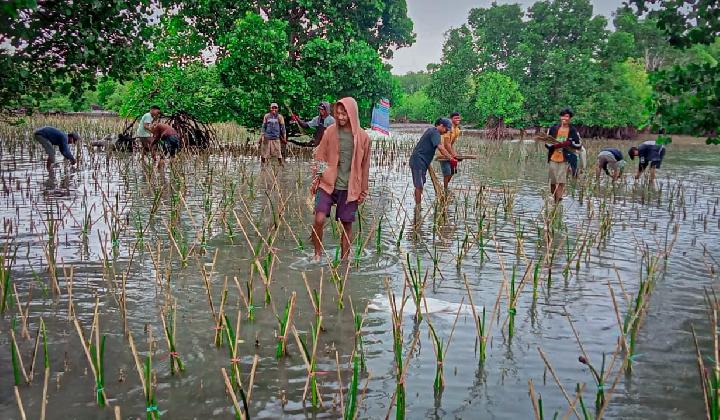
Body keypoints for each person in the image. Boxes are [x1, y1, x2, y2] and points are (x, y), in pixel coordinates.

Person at [310, 97, 371, 261]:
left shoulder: (364, 137)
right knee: (319, 219)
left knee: (346, 224)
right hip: (327, 184)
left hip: (350, 187)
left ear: (352, 113)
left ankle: (345, 259)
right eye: (338, 113)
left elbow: (365, 166)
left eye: (344, 114)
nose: (341, 117)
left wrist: (363, 191)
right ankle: (317, 254)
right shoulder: (330, 131)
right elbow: (320, 156)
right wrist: (317, 178)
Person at [409, 118, 454, 205]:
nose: (446, 131)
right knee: (419, 185)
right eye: (446, 129)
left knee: (421, 184)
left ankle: (418, 205)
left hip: (422, 162)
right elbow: (440, 148)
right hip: (418, 161)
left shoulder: (432, 131)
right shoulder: (435, 132)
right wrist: (450, 158)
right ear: (441, 125)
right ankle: (418, 207)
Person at [544, 108, 582, 203]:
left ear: (570, 118)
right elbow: (547, 143)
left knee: (561, 181)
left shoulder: (572, 130)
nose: (564, 118)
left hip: (564, 159)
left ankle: (557, 202)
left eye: (567, 116)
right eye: (563, 116)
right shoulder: (553, 129)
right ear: (560, 117)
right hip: (553, 157)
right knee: (552, 182)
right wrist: (555, 145)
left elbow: (578, 145)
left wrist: (568, 143)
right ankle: (556, 197)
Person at [438, 112, 461, 190]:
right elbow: (446, 144)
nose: (458, 119)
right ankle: (445, 190)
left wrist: (454, 154)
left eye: (458, 118)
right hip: (442, 153)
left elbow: (451, 144)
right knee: (447, 173)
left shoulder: (457, 130)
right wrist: (453, 155)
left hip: (449, 153)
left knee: (453, 171)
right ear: (451, 119)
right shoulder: (448, 128)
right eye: (455, 118)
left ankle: (444, 187)